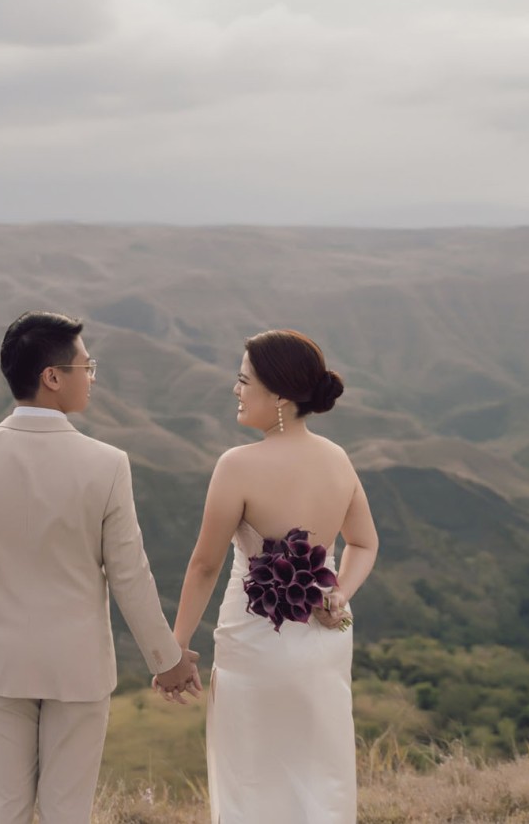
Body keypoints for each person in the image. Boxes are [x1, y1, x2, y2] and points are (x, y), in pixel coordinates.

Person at [0, 311, 201, 824]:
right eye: (86, 366)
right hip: (79, 665)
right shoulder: (107, 463)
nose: (92, 377)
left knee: (1, 810)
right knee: (67, 811)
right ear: (52, 377)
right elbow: (129, 575)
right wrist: (165, 660)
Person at [163, 329, 380, 823]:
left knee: (252, 770)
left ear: (280, 395)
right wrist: (339, 594)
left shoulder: (237, 465)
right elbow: (365, 543)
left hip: (255, 642)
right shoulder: (337, 458)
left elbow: (204, 565)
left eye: (244, 381)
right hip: (323, 640)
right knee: (318, 763)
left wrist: (175, 647)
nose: (236, 390)